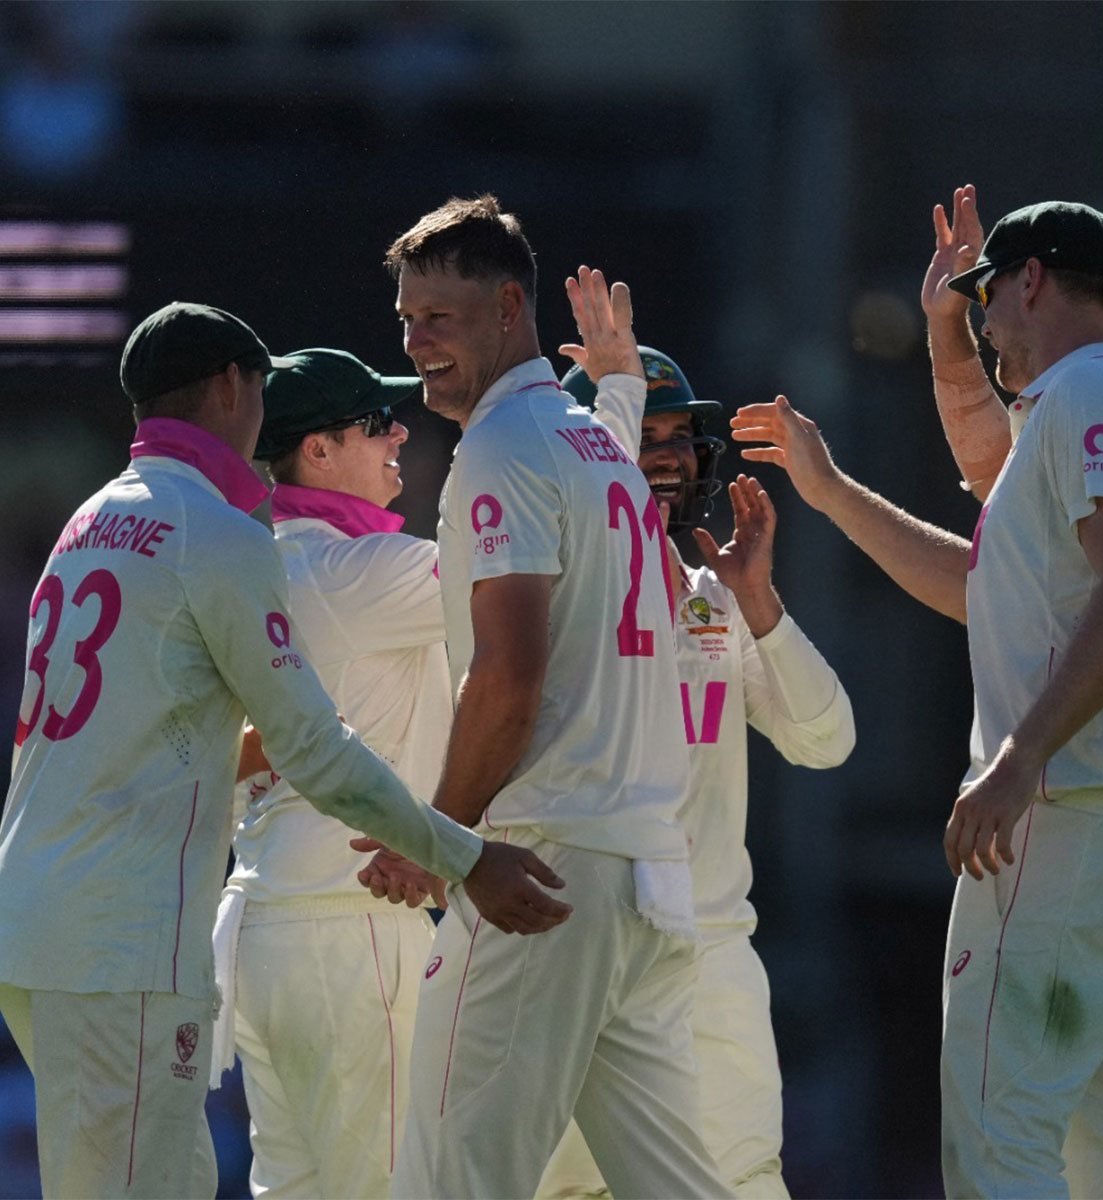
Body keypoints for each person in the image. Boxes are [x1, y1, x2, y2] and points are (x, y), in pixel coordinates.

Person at [0, 302, 557, 1199]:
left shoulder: (87, 524)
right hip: (130, 934)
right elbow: (319, 751)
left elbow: (197, 743)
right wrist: (463, 855)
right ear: (233, 387)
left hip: (39, 918)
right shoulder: (219, 537)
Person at [733, 199, 1103, 1197]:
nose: (986, 322)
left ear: (1030, 280)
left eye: (987, 297)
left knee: (1002, 1136)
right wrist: (832, 491)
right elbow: (984, 573)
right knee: (1102, 1151)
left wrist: (1017, 758)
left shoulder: (1089, 393)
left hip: (1062, 825)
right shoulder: (1086, 404)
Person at [381, 195, 730, 1198]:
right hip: (633, 872)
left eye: (437, 319)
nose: (416, 343)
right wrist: (617, 385)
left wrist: (436, 837)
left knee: (449, 1181)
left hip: (540, 866)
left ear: (505, 310)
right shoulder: (592, 447)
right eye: (406, 321)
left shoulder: (504, 446)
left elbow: (509, 673)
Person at [539, 283, 855, 1198]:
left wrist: (760, 609)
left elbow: (826, 740)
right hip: (586, 946)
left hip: (713, 954)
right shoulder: (548, 585)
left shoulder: (712, 595)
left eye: (680, 441)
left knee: (744, 1182)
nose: (668, 461)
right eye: (645, 439)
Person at [208, 348, 447, 1198]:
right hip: (353, 922)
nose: (400, 434)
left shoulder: (247, 565)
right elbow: (539, 581)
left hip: (262, 927)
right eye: (376, 423)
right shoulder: (365, 570)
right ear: (316, 450)